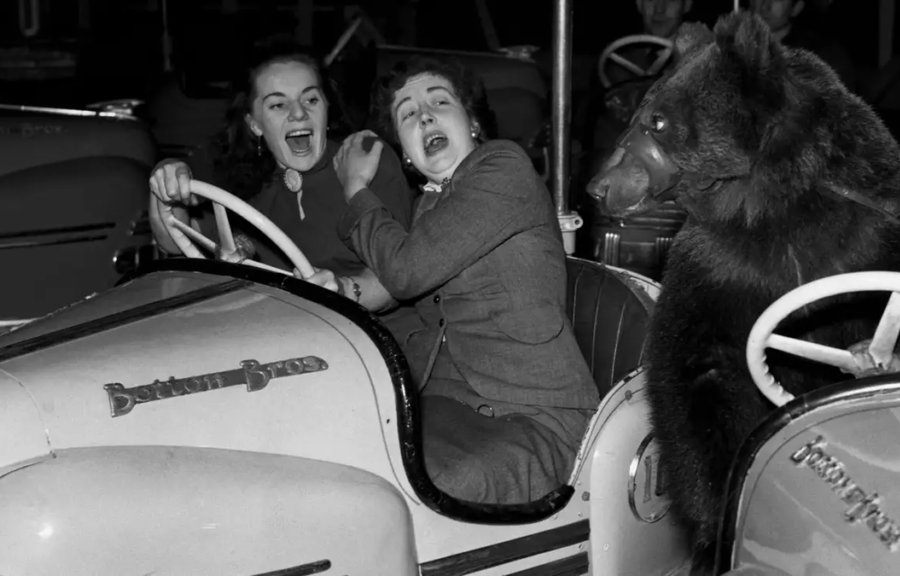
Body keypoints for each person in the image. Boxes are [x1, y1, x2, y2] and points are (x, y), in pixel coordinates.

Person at [324, 56, 600, 504]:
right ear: (407, 154)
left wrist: (355, 188)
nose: (424, 116)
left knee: (404, 493)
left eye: (439, 102)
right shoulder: (429, 206)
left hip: (531, 412)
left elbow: (406, 271)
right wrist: (339, 289)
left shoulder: (503, 167)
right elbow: (394, 284)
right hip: (446, 404)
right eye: (408, 114)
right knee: (342, 460)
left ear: (472, 122)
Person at [147, 46, 417, 313]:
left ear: (327, 107)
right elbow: (173, 239)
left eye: (311, 100)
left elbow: (396, 278)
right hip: (275, 328)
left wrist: (343, 290)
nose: (298, 113)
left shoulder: (365, 156)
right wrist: (165, 177)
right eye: (278, 105)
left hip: (367, 331)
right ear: (254, 124)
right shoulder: (243, 183)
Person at [750, 0, 856, 91]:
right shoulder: (742, 43)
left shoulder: (824, 56)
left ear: (796, 8)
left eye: (778, 0)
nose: (765, 6)